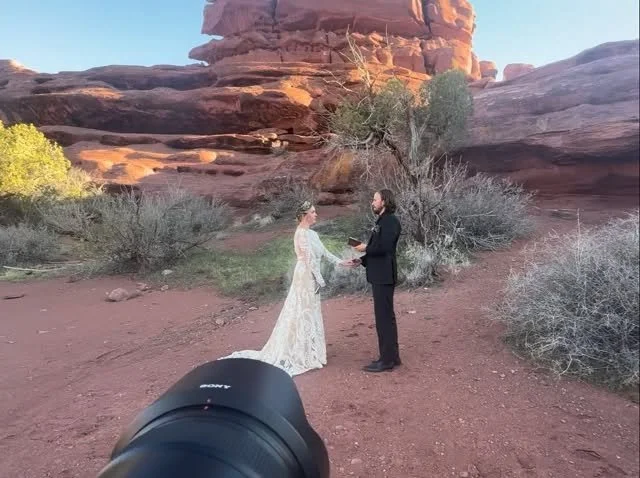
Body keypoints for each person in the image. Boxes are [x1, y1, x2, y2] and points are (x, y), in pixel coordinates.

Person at [219, 201, 351, 376]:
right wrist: (320, 280)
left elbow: (325, 253)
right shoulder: (301, 234)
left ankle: (311, 351)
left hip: (312, 276)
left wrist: (342, 262)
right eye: (313, 212)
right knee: (302, 310)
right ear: (304, 215)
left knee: (310, 311)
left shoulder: (312, 234)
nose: (316, 214)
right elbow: (308, 260)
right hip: (305, 276)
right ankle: (301, 352)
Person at [350, 189, 402, 372]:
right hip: (380, 275)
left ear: (384, 202)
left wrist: (365, 247)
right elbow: (378, 249)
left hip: (384, 276)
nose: (372, 202)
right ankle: (392, 357)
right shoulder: (382, 221)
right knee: (386, 317)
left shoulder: (390, 221)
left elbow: (385, 248)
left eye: (375, 199)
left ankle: (386, 360)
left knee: (384, 318)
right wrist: (361, 260)